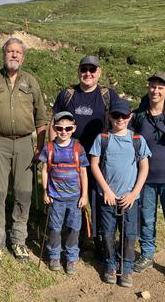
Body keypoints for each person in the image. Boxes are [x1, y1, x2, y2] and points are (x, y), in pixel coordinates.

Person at [0, 37, 47, 267]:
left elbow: (41, 117)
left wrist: (39, 146)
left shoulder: (31, 81)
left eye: (18, 52)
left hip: (26, 143)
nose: (14, 55)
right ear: (3, 53)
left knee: (23, 193)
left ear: (23, 56)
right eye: (10, 51)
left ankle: (19, 240)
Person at [50, 55, 120, 254]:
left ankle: (100, 237)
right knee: (73, 194)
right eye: (84, 69)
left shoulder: (108, 95)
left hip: (101, 155)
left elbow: (120, 121)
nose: (87, 73)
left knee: (98, 195)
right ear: (78, 71)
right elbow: (53, 122)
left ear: (99, 72)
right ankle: (76, 236)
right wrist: (53, 150)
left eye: (92, 69)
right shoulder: (68, 94)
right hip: (71, 154)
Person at [90, 98, 151, 288]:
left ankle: (126, 268)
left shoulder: (137, 140)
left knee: (129, 234)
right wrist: (106, 190)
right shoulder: (103, 138)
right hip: (108, 196)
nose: (120, 119)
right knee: (107, 233)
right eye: (116, 115)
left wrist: (134, 193)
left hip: (130, 198)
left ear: (130, 117)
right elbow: (94, 164)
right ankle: (109, 265)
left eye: (124, 116)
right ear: (109, 117)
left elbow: (144, 167)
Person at [132, 72, 165, 277]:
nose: (155, 91)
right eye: (152, 86)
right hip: (145, 179)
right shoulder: (139, 115)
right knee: (146, 220)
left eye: (160, 87)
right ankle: (147, 254)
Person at [39, 111, 89, 274]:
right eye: (60, 128)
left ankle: (71, 258)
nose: (63, 131)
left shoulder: (78, 148)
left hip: (75, 197)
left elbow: (83, 172)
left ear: (73, 128)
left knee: (74, 228)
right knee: (55, 228)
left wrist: (84, 195)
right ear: (54, 128)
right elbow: (45, 170)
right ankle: (54, 255)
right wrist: (45, 191)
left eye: (68, 128)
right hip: (56, 198)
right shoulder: (49, 148)